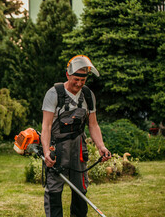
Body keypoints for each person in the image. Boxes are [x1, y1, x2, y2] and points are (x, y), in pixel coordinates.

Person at [41, 55, 111, 217]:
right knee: (54, 190)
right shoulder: (54, 94)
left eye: (83, 80)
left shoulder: (87, 95)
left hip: (79, 149)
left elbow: (93, 124)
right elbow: (46, 126)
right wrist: (46, 152)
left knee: (80, 189)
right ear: (67, 75)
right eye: (76, 79)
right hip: (57, 148)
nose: (79, 84)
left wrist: (101, 146)